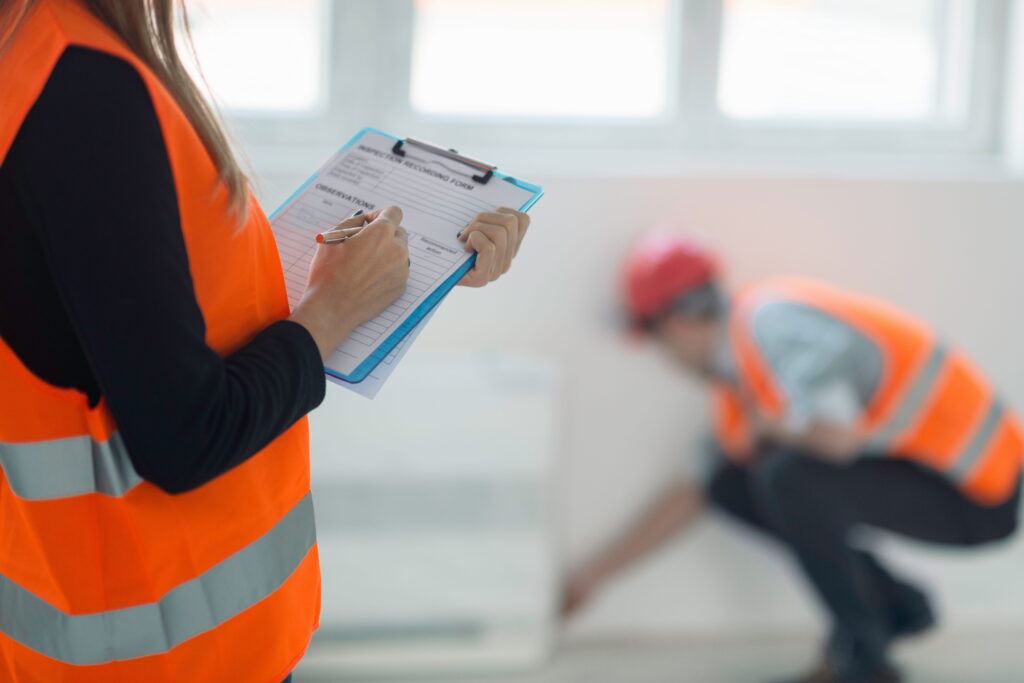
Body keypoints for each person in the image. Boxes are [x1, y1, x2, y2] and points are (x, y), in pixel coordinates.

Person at [0, 0, 531, 680]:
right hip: (167, 657)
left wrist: (402, 266)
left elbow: (116, 324)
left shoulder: (36, 55)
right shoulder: (84, 90)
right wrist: (333, 310)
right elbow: (183, 433)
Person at [563, 233, 1021, 683]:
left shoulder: (774, 328)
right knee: (729, 481)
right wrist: (591, 577)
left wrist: (768, 427)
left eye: (658, 344)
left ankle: (862, 660)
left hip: (980, 489)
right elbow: (694, 490)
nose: (666, 360)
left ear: (676, 325)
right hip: (934, 478)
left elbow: (837, 440)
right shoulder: (739, 372)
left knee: (789, 475)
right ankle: (894, 605)